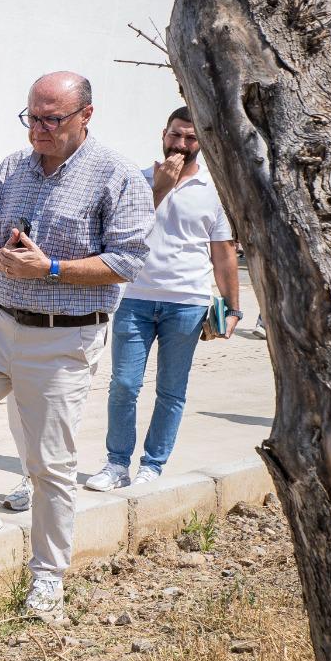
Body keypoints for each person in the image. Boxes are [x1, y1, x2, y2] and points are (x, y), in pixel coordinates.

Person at [0, 72, 155, 624]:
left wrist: (49, 267)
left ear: (85, 116)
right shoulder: (13, 168)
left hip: (63, 336)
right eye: (32, 117)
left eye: (52, 119)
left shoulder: (115, 176)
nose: (38, 130)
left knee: (49, 465)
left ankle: (48, 576)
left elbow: (127, 262)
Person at [85, 106, 241, 492]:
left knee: (171, 390)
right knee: (123, 384)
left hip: (187, 303)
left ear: (201, 142)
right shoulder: (137, 181)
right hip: (134, 298)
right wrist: (161, 187)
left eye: (190, 138)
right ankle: (116, 463)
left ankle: (152, 465)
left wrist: (233, 307)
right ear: (163, 134)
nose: (182, 144)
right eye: (176, 135)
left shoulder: (214, 191)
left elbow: (223, 253)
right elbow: (121, 233)